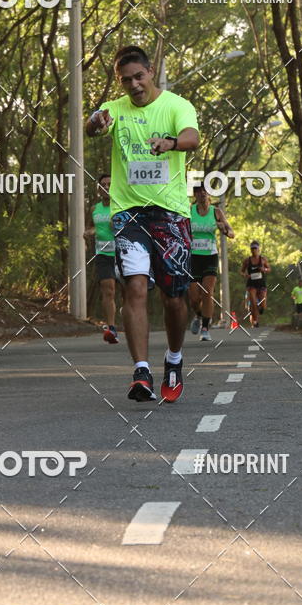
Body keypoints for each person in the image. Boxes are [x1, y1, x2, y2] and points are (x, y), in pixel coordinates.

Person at [85, 45, 199, 402]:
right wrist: (95, 123)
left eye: (139, 76)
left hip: (170, 213)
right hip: (128, 213)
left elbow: (193, 138)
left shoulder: (177, 105)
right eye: (125, 80)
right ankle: (141, 372)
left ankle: (175, 359)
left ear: (151, 73)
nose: (134, 85)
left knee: (174, 297)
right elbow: (93, 126)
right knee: (134, 287)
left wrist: (171, 143)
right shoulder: (115, 110)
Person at [188, 183, 234, 340]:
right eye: (198, 192)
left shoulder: (216, 212)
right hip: (193, 257)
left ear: (208, 194)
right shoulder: (189, 211)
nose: (201, 194)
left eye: (204, 191)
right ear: (195, 195)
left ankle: (206, 328)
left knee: (208, 291)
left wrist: (224, 229)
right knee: (194, 298)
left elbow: (231, 233)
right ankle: (199, 315)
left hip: (210, 256)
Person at [84, 174, 121, 343]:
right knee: (108, 289)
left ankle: (129, 321)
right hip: (103, 253)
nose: (106, 187)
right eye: (103, 185)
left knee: (128, 292)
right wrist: (88, 233)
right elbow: (90, 227)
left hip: (122, 254)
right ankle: (111, 327)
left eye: (109, 184)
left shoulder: (120, 206)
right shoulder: (94, 209)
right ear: (99, 189)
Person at [240, 240, 270, 328]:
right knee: (253, 303)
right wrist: (245, 275)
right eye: (252, 249)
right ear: (250, 250)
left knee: (263, 304)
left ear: (258, 249)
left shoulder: (263, 259)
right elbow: (241, 271)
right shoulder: (247, 261)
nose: (254, 250)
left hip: (261, 284)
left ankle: (261, 309)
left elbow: (269, 269)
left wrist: (264, 270)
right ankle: (255, 321)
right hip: (251, 284)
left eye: (255, 248)